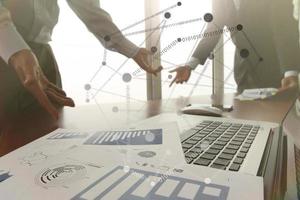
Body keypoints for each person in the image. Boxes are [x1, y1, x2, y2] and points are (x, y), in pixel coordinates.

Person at [0, 0, 161, 119]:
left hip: (41, 54)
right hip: (4, 52)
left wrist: (131, 50)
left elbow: (88, 7)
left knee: (50, 129)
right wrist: (14, 48)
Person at [170, 0, 300, 94]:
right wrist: (190, 65)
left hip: (276, 75)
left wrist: (290, 73)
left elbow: (283, 29)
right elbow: (215, 26)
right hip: (244, 73)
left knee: (275, 125)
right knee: (247, 124)